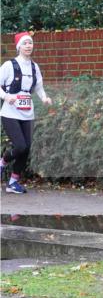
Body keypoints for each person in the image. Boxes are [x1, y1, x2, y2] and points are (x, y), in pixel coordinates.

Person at [0, 32, 52, 194]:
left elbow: (38, 87)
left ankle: (13, 183)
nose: (28, 46)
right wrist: (6, 96)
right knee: (20, 146)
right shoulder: (9, 65)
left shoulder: (34, 67)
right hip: (10, 113)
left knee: (27, 148)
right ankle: (2, 162)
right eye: (25, 43)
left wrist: (44, 98)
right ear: (19, 47)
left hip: (27, 113)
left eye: (30, 43)